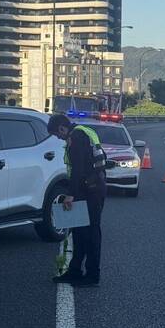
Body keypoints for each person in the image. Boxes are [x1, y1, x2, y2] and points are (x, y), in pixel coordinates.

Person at [48, 114, 107, 287]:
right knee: (80, 233)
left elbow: (78, 169)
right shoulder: (85, 132)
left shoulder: (76, 138)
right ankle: (75, 271)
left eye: (56, 134)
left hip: (89, 191)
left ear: (61, 128)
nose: (58, 138)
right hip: (93, 188)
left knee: (90, 234)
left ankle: (92, 275)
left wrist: (70, 195)